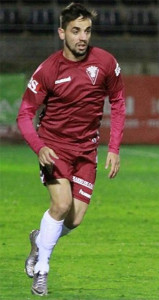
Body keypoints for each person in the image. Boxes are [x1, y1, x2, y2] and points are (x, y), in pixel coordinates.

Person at [17, 2, 125, 295]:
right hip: (54, 149)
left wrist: (114, 148)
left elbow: (117, 102)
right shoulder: (48, 70)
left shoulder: (105, 63)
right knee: (61, 204)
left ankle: (41, 239)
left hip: (86, 152)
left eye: (87, 31)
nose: (83, 37)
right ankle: (42, 271)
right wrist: (39, 147)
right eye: (76, 31)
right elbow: (25, 114)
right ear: (61, 32)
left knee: (75, 219)